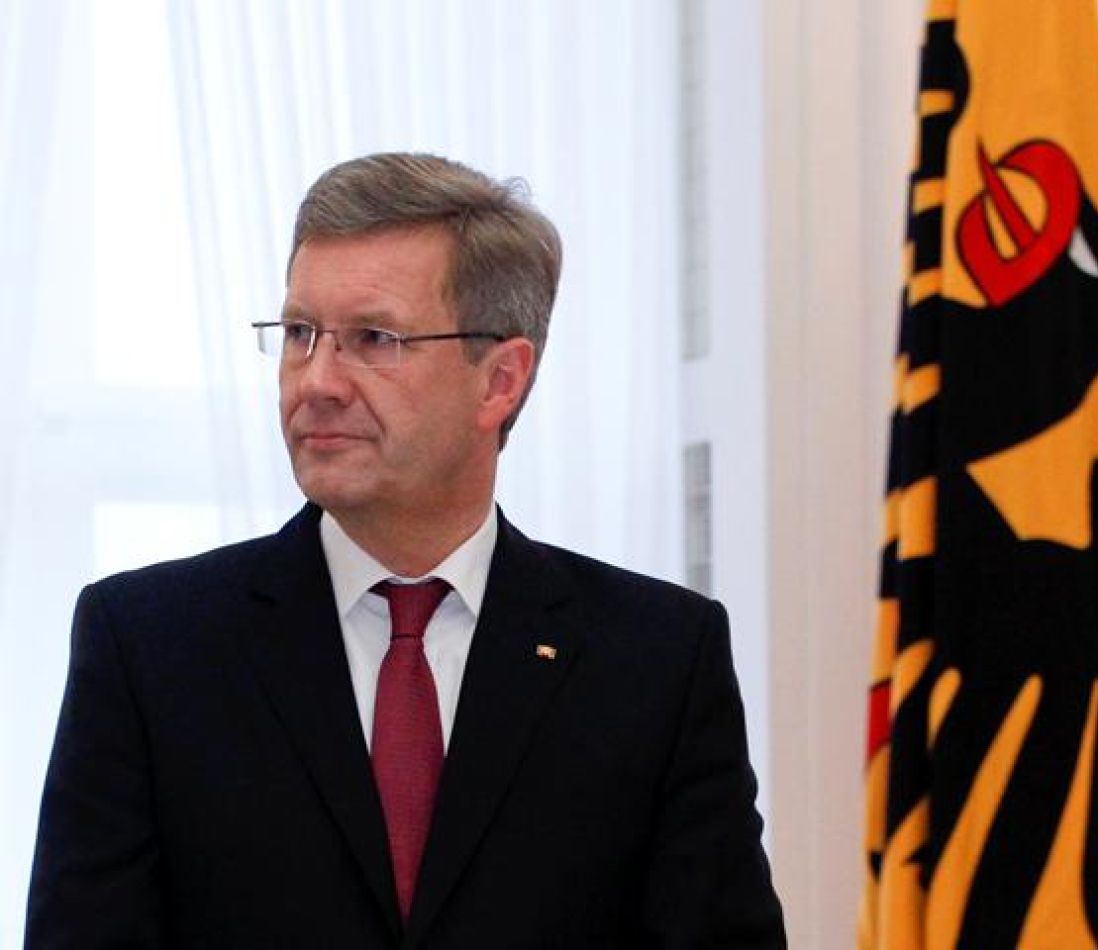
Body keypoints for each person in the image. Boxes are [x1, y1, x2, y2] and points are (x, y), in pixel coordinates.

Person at [25, 153, 786, 948]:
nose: (317, 380)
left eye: (373, 339)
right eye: (300, 333)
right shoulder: (149, 645)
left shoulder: (658, 659)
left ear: (499, 380)